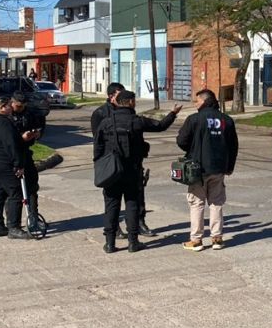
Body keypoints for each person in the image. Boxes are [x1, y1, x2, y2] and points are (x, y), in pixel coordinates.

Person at [94, 90, 182, 253]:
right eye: (134, 101)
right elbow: (160, 126)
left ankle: (110, 243)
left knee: (111, 205)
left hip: (111, 171)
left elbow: (98, 147)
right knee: (132, 204)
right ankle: (133, 242)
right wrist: (173, 113)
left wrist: (100, 166)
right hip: (132, 170)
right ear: (129, 102)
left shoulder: (106, 122)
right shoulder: (137, 121)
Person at [176, 89, 238, 251]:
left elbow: (182, 141)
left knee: (197, 203)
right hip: (219, 168)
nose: (195, 104)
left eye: (197, 101)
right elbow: (233, 147)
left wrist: (193, 147)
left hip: (197, 169)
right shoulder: (227, 120)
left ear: (204, 101)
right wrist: (229, 167)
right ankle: (217, 238)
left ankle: (196, 240)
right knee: (216, 202)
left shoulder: (194, 119)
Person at [90, 82, 154, 236]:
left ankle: (139, 223)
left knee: (137, 195)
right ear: (112, 96)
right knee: (113, 199)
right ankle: (114, 229)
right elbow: (98, 140)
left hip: (133, 160)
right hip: (112, 163)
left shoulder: (129, 112)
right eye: (120, 94)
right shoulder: (100, 114)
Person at [0, 97, 31, 239]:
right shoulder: (3, 123)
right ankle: (13, 227)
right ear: (2, 107)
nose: (12, 107)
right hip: (2, 162)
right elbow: (11, 145)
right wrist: (18, 164)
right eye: (9, 105)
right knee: (15, 192)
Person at [10, 91, 47, 235]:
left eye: (23, 106)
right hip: (11, 155)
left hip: (26, 153)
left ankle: (33, 217)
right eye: (18, 106)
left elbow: (39, 125)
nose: (20, 109)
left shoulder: (29, 113)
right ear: (12, 103)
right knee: (14, 191)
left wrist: (37, 133)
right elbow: (7, 139)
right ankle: (12, 224)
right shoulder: (7, 116)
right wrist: (21, 138)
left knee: (32, 187)